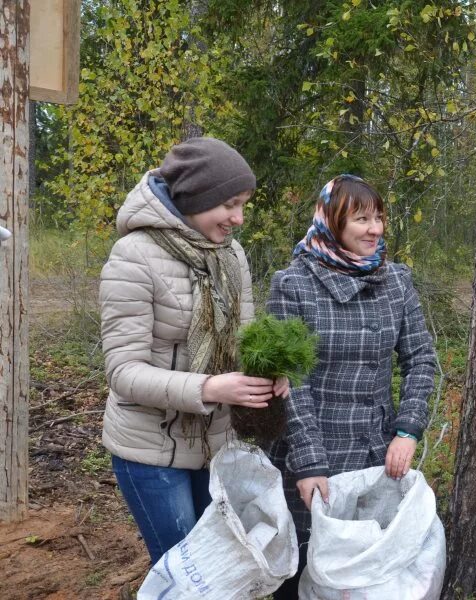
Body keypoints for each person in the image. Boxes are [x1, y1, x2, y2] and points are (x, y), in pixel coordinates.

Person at [100, 137, 288, 565]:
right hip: (150, 451)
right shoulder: (133, 256)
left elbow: (244, 337)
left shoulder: (230, 255)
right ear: (197, 197)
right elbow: (123, 371)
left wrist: (266, 371)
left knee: (216, 565)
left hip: (216, 445)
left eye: (244, 205)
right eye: (229, 204)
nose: (238, 218)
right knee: (184, 570)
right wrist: (210, 388)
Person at [266, 174, 436, 599]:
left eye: (378, 217)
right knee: (303, 567)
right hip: (312, 455)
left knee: (364, 572)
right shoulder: (292, 285)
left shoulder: (396, 281)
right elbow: (290, 384)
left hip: (376, 454)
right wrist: (309, 465)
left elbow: (420, 359)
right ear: (331, 222)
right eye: (361, 219)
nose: (375, 229)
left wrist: (407, 430)